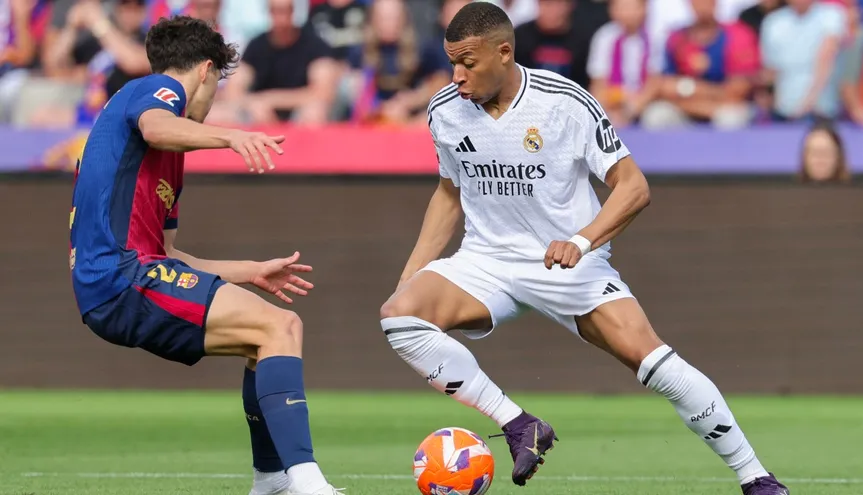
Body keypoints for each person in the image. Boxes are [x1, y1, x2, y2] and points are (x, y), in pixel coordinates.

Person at [378, 3, 790, 494]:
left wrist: (582, 241)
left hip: (569, 264)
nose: (457, 76)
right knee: (399, 316)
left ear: (504, 52)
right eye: (452, 63)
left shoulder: (564, 101)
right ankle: (518, 424)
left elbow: (633, 186)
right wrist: (413, 272)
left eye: (468, 62)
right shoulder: (444, 109)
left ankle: (756, 478)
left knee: (656, 363)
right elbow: (450, 192)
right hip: (486, 261)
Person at [68, 16, 342, 495]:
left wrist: (251, 272)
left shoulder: (167, 156)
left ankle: (273, 479)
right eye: (216, 84)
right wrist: (232, 136)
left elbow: (169, 255)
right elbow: (157, 126)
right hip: (120, 277)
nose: (213, 96)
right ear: (206, 71)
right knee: (283, 327)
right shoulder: (156, 91)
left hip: (121, 281)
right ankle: (304, 483)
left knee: (266, 339)